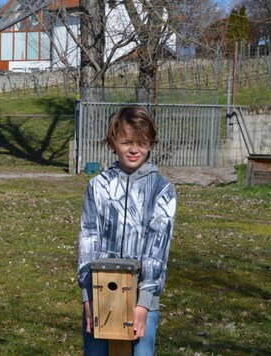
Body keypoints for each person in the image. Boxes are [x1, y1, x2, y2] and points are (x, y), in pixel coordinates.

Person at [77, 106, 177, 355]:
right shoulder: (98, 186)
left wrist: (144, 304)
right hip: (100, 298)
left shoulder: (161, 190)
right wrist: (87, 296)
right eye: (126, 142)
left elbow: (158, 248)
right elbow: (88, 238)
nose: (134, 149)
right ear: (113, 142)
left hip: (144, 302)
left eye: (142, 143)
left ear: (151, 143)